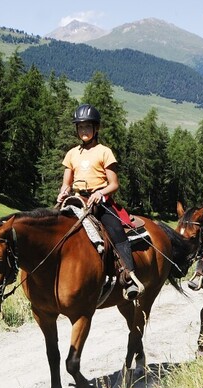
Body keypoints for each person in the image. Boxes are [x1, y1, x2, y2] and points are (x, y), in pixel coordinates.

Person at [56, 103, 143, 300]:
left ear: (96, 128)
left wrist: (100, 193)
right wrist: (63, 192)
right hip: (76, 199)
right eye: (80, 127)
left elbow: (113, 184)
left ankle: (129, 275)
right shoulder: (71, 154)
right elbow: (66, 183)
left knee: (115, 229)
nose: (83, 130)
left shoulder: (105, 151)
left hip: (99, 201)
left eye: (87, 126)